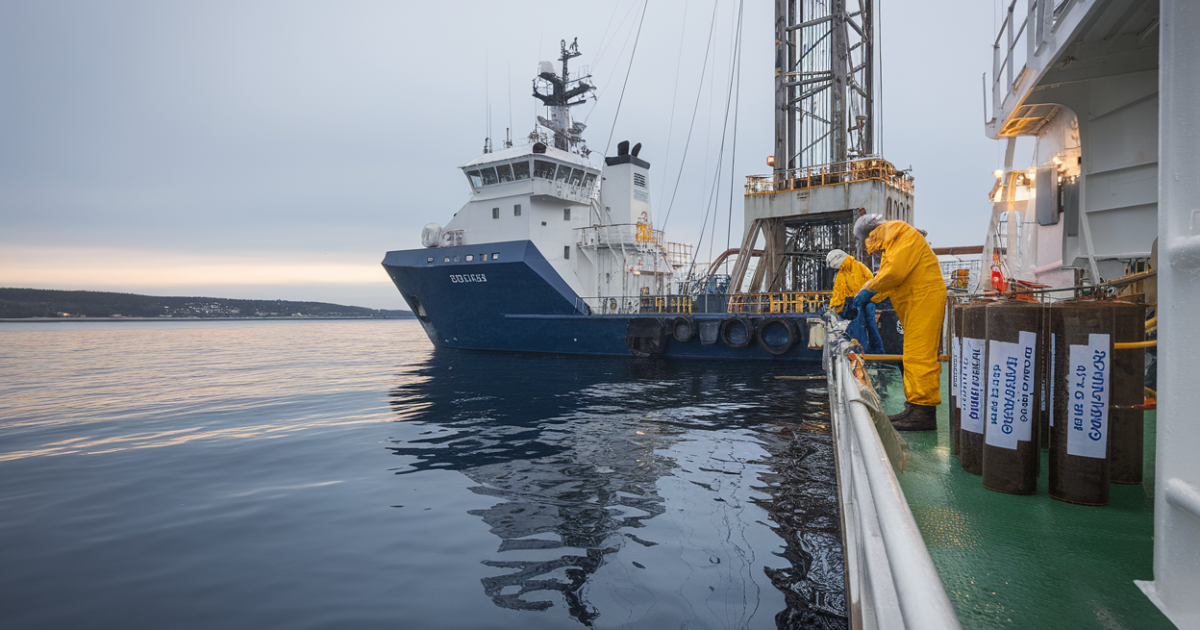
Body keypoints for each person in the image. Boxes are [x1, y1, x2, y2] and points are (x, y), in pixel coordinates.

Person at [847, 214, 946, 431]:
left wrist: (868, 291)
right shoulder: (893, 240)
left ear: (869, 235)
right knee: (912, 354)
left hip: (923, 297)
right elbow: (891, 280)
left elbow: (893, 273)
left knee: (920, 355)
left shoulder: (896, 232)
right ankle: (914, 406)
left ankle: (923, 413)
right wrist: (870, 296)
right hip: (916, 298)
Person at [826, 249, 885, 353]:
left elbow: (871, 285)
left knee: (867, 323)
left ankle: (872, 351)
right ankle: (867, 349)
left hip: (867, 301)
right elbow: (838, 294)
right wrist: (833, 308)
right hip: (856, 303)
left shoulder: (859, 268)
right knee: (861, 323)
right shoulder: (842, 274)